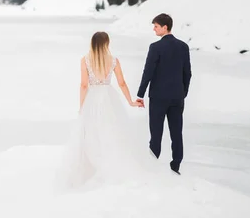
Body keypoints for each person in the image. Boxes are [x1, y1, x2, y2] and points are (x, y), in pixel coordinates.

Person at [63, 31, 144, 188]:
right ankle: (112, 165)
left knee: (91, 133)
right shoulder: (113, 61)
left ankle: (92, 166)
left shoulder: (85, 60)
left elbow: (84, 85)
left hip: (92, 98)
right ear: (106, 44)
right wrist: (130, 102)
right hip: (109, 97)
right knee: (111, 130)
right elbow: (121, 83)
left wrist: (82, 107)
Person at [136, 13, 192, 175]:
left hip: (158, 97)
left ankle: (153, 165)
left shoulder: (156, 47)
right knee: (176, 132)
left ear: (165, 27)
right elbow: (187, 73)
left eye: (156, 26)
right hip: (177, 97)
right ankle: (176, 165)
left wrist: (140, 94)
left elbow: (148, 72)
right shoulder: (183, 47)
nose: (154, 29)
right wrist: (183, 92)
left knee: (156, 132)